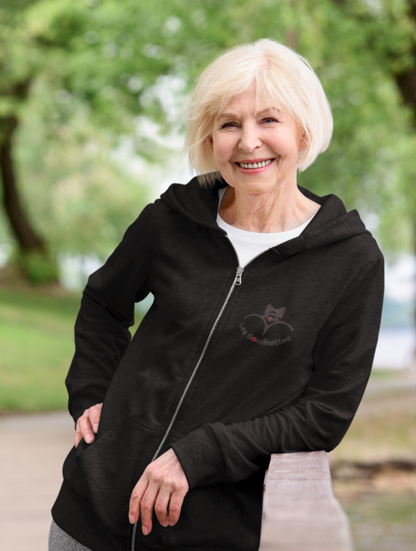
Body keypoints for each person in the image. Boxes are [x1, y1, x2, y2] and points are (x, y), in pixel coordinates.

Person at [50, 39, 384, 551]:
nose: (249, 142)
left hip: (208, 531)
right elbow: (103, 303)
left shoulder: (350, 260)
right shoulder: (172, 220)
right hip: (89, 517)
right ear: (211, 137)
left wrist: (203, 452)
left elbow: (326, 413)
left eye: (269, 120)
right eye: (230, 124)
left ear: (303, 129)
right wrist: (91, 390)